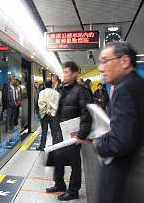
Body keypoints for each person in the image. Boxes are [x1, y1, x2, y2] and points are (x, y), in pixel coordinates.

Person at [95, 41, 144, 203]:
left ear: (124, 61)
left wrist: (100, 141)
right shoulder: (137, 84)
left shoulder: (125, 89)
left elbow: (121, 142)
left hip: (126, 179)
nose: (101, 68)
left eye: (105, 61)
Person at [46, 61, 92, 201]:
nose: (64, 74)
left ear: (75, 73)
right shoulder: (61, 89)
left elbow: (86, 114)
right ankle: (59, 184)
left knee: (74, 162)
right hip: (58, 130)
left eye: (66, 72)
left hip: (73, 133)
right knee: (57, 158)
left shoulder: (82, 91)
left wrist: (82, 134)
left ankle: (73, 191)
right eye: (63, 72)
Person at [36, 79, 61, 151]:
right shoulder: (56, 93)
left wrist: (45, 112)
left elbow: (41, 103)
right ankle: (55, 146)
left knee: (44, 131)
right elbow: (59, 103)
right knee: (54, 131)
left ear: (44, 85)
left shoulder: (42, 92)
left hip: (45, 115)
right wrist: (53, 112)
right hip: (53, 115)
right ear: (52, 85)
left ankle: (42, 146)